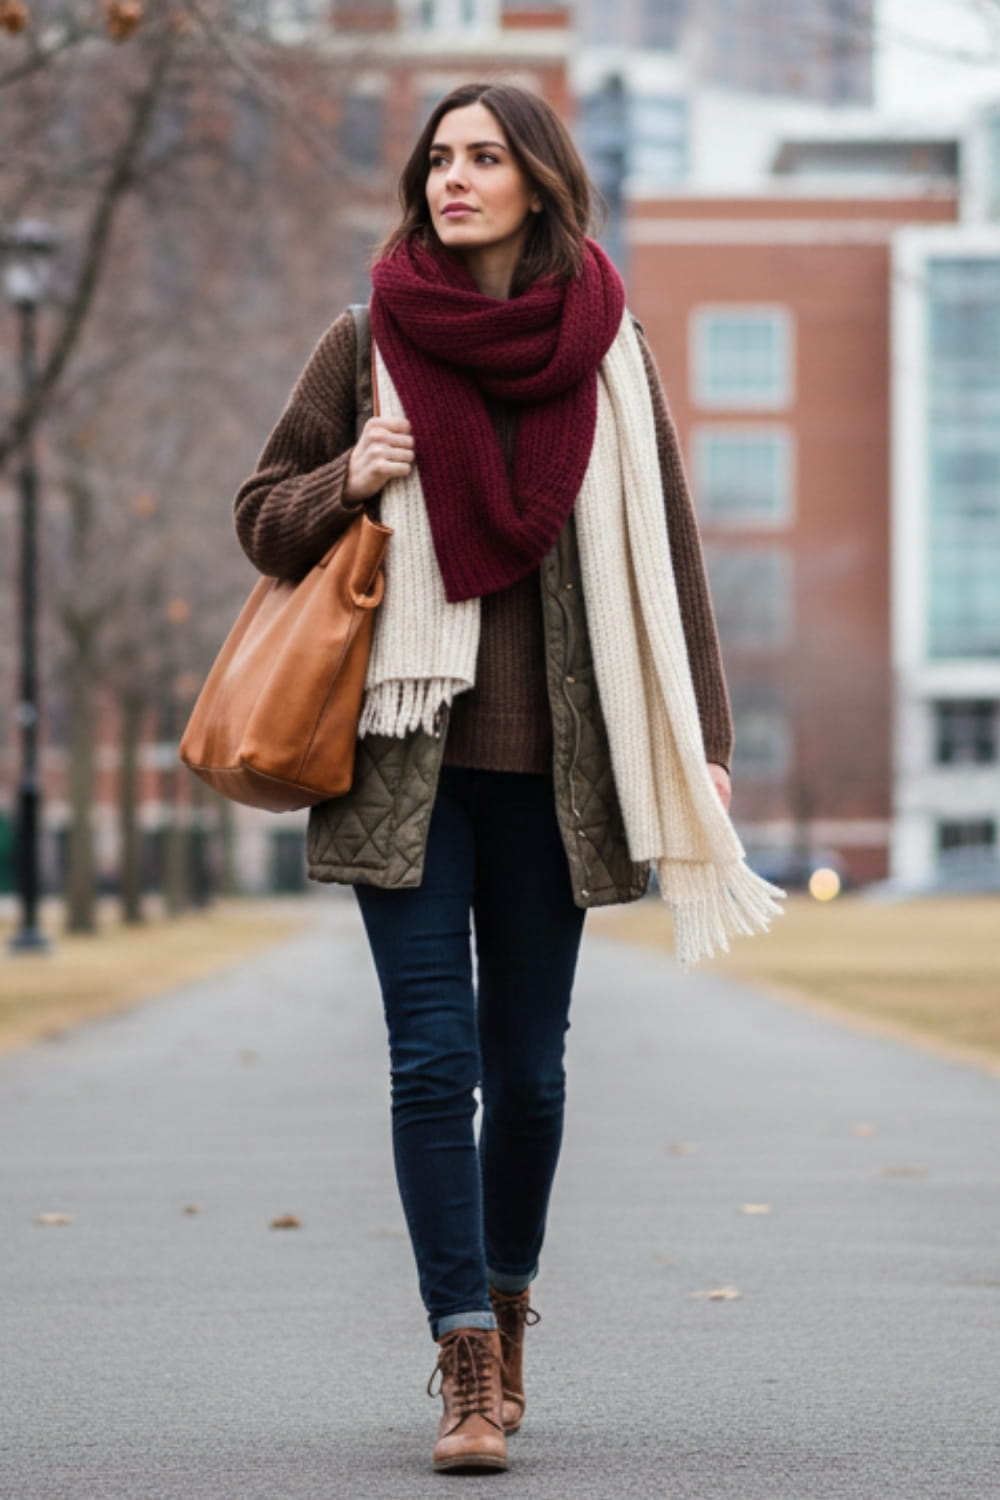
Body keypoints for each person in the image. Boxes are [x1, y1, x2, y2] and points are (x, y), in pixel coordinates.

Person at [233, 81, 781, 1475]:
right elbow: (260, 516)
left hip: (560, 777)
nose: (453, 180)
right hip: (399, 763)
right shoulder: (366, 341)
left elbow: (671, 565)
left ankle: (514, 1303)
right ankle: (466, 1359)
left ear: (540, 180)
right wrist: (352, 474)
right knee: (435, 1062)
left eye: (484, 158)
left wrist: (704, 747)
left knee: (529, 1078)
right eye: (438, 161)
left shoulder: (612, 353)